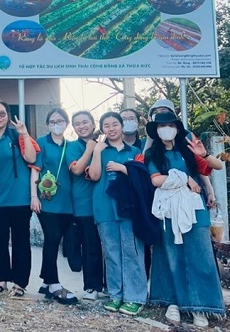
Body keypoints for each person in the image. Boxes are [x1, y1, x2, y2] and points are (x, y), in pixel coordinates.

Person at [145, 112, 225, 327]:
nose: (166, 129)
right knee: (170, 254)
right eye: (162, 126)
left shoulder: (188, 150)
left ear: (178, 128)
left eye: (170, 125)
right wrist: (185, 178)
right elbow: (156, 180)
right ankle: (173, 302)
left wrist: (204, 154)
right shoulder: (153, 154)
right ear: (156, 130)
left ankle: (200, 306)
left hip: (194, 206)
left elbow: (217, 166)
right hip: (168, 209)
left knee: (200, 254)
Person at [88, 111, 147, 315]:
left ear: (122, 126)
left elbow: (143, 179)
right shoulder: (100, 150)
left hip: (129, 209)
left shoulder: (135, 151)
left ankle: (135, 297)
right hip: (104, 208)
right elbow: (94, 176)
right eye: (106, 125)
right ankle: (116, 295)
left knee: (132, 252)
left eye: (115, 124)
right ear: (102, 129)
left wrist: (124, 168)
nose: (111, 129)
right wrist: (96, 152)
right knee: (112, 253)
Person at [0, 100, 38, 297]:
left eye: (2, 113)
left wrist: (24, 133)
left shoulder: (17, 136)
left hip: (20, 198)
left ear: (8, 116)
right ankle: (1, 281)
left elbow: (32, 159)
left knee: (21, 241)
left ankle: (20, 283)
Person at [32, 107, 77, 304]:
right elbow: (35, 170)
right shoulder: (41, 143)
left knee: (56, 240)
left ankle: (45, 281)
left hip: (67, 203)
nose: (56, 124)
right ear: (47, 124)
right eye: (52, 121)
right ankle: (54, 283)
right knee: (52, 237)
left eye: (60, 121)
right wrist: (33, 196)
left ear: (66, 124)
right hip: (47, 200)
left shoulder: (71, 146)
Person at [67, 110, 104, 301]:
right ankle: (91, 286)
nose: (82, 126)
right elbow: (77, 169)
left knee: (107, 247)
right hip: (83, 203)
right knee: (90, 246)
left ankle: (106, 285)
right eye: (77, 124)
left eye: (85, 122)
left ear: (93, 123)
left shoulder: (105, 144)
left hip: (105, 202)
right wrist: (90, 148)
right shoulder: (72, 147)